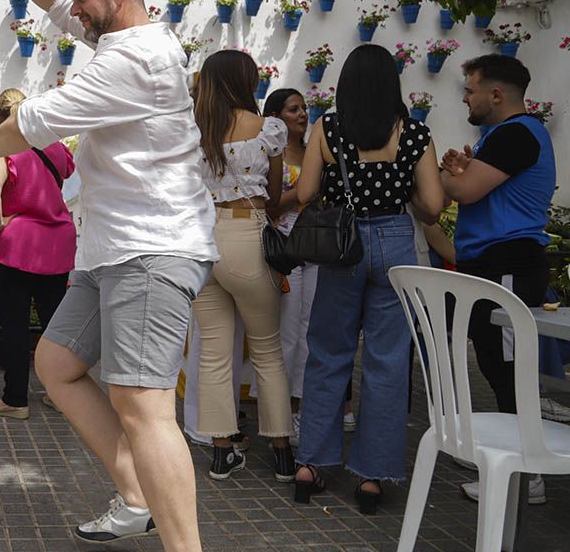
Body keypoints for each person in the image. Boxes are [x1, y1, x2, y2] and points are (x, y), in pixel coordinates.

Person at [0, 0, 217, 552]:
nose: (73, 10)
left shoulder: (133, 60)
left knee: (143, 405)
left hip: (151, 249)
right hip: (113, 250)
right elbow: (55, 2)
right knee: (57, 364)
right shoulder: (119, 39)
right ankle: (135, 495)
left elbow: (31, 124)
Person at [293, 43, 444, 515]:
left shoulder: (329, 128)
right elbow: (434, 207)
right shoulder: (415, 135)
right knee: (388, 361)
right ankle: (374, 477)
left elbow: (305, 193)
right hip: (397, 244)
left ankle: (312, 464)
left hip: (344, 247)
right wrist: (408, 199)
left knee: (328, 353)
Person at [440, 54, 557, 503]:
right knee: (494, 363)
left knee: (510, 369)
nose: (465, 98)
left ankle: (527, 477)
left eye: (470, 89)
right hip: (491, 263)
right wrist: (462, 172)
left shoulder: (517, 134)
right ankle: (515, 463)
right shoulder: (498, 136)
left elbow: (465, 191)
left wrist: (451, 178)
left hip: (508, 263)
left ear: (496, 94)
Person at [190, 51, 294, 482]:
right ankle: (283, 452)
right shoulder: (267, 129)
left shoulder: (193, 131)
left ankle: (221, 452)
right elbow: (272, 194)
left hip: (201, 241)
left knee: (214, 352)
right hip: (247, 235)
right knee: (267, 350)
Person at [263, 88, 358, 443]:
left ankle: (304, 409)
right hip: (286, 249)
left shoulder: (314, 150)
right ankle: (280, 411)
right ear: (276, 115)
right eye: (293, 109)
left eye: (304, 108)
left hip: (318, 247)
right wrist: (305, 190)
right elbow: (271, 206)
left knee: (311, 332)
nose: (303, 114)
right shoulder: (272, 152)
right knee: (286, 332)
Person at [0, 88, 76, 419]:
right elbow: (64, 175)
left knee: (15, 326)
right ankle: (59, 395)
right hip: (58, 245)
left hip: (17, 247)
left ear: (0, 119)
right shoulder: (56, 148)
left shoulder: (5, 149)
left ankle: (15, 400)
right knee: (55, 326)